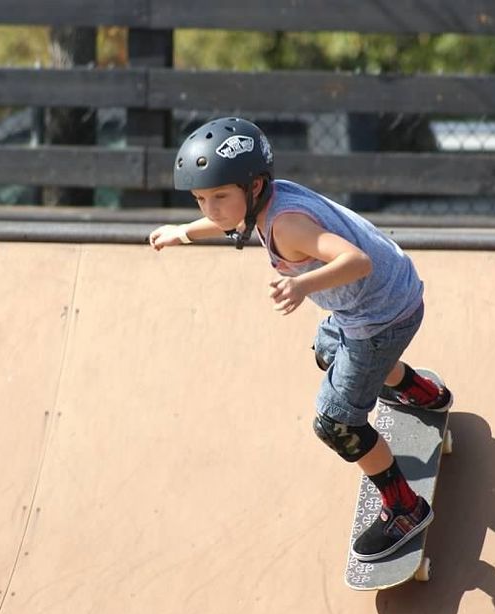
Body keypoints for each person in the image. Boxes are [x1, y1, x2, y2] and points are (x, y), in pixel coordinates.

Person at [148, 117, 452, 562]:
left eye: (218, 197)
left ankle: (404, 509)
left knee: (336, 423)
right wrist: (185, 232)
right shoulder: (268, 197)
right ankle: (421, 393)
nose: (211, 210)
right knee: (328, 350)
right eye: (200, 200)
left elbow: (355, 260)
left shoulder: (286, 225)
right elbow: (229, 219)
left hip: (378, 318)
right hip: (386, 299)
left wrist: (302, 286)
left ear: (253, 189)